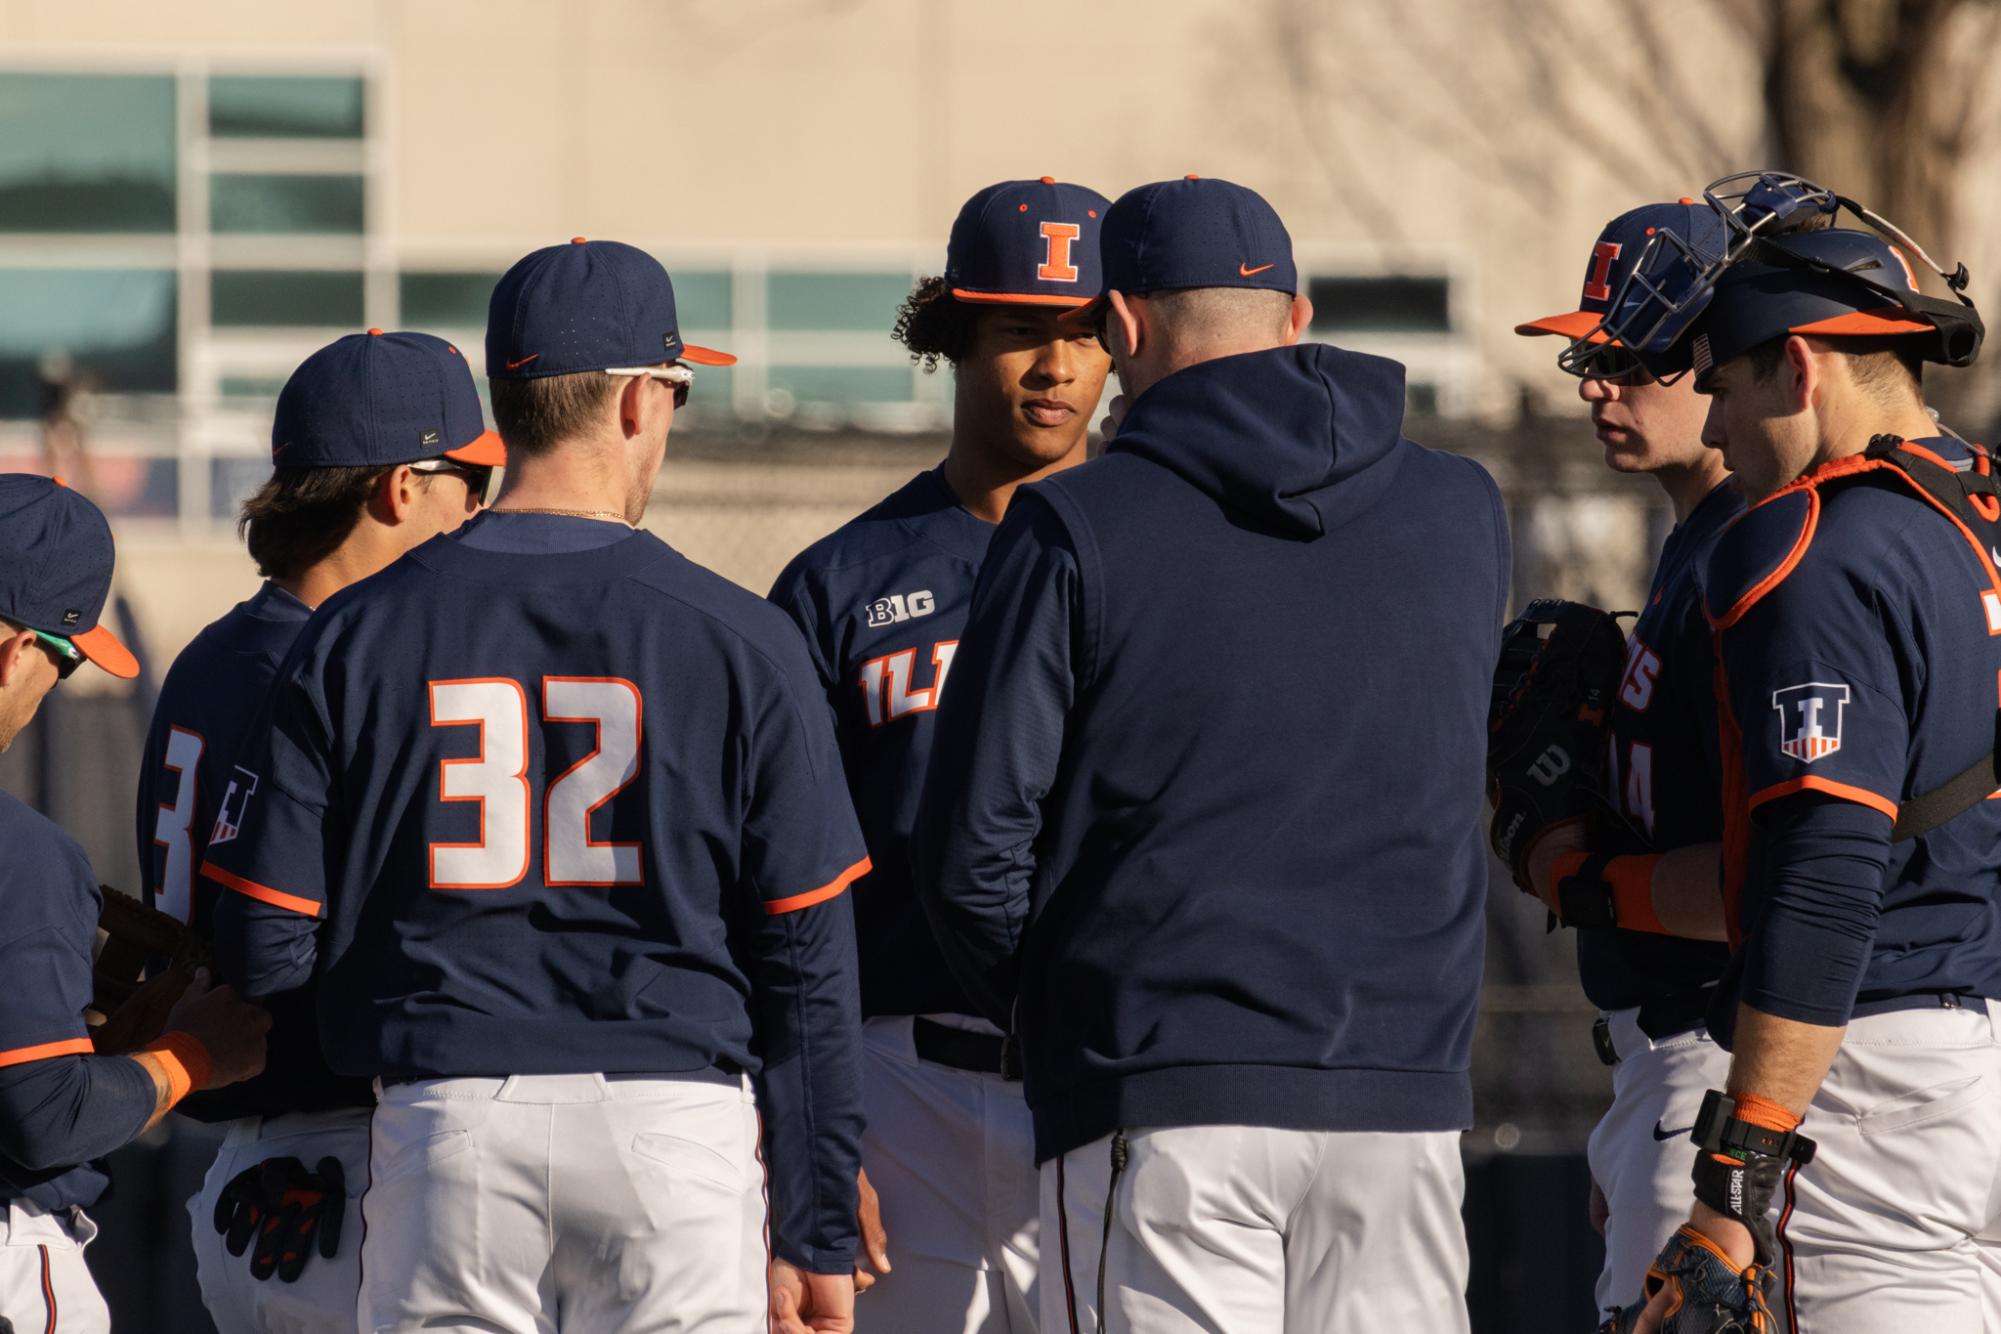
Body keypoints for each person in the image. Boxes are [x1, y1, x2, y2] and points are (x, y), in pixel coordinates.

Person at [204, 239, 869, 1333]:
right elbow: (808, 961)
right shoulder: (743, 635)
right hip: (677, 1123)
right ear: (637, 404)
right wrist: (818, 1226)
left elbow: (265, 943)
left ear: (504, 406)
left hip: (449, 1115)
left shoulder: (357, 632)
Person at [913, 176, 1510, 1333]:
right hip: (1403, 1096)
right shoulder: (1461, 506)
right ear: (1298, 315)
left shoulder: (1075, 519)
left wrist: (1072, 1010)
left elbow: (973, 849)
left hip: (1163, 1091)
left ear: (1123, 326)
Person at [1591, 174, 2001, 1334]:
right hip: (1975, 1053)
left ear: (1802, 363)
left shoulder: (1812, 542)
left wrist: (1737, 1174)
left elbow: (1824, 875)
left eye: (1722, 382)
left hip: (1865, 1078)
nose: (1717, 424)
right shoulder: (1976, 508)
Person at [770, 175, 1112, 1332]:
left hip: (1107, 1072)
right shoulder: (840, 581)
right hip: (897, 1083)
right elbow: (775, 886)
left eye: (1081, 333)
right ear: (954, 338)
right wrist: (811, 1131)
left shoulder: (1166, 563)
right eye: (1022, 329)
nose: (1055, 367)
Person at [136, 328, 499, 1333]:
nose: (479, 508)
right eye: (468, 480)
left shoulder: (216, 655)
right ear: (395, 488)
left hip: (257, 1154)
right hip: (342, 1164)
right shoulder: (335, 675)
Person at [1510, 200, 1739, 1315]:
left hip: (1730, 1051)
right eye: (1590, 353)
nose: (1599, 381)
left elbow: (1788, 874)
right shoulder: (1697, 541)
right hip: (1672, 1061)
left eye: (1634, 355)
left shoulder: (1761, 551)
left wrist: (1584, 878)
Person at [0, 475, 269, 1332]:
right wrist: (194, 1054)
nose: (55, 680)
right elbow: (47, 1118)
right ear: (15, 653)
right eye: (67, 656)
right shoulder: (23, 856)